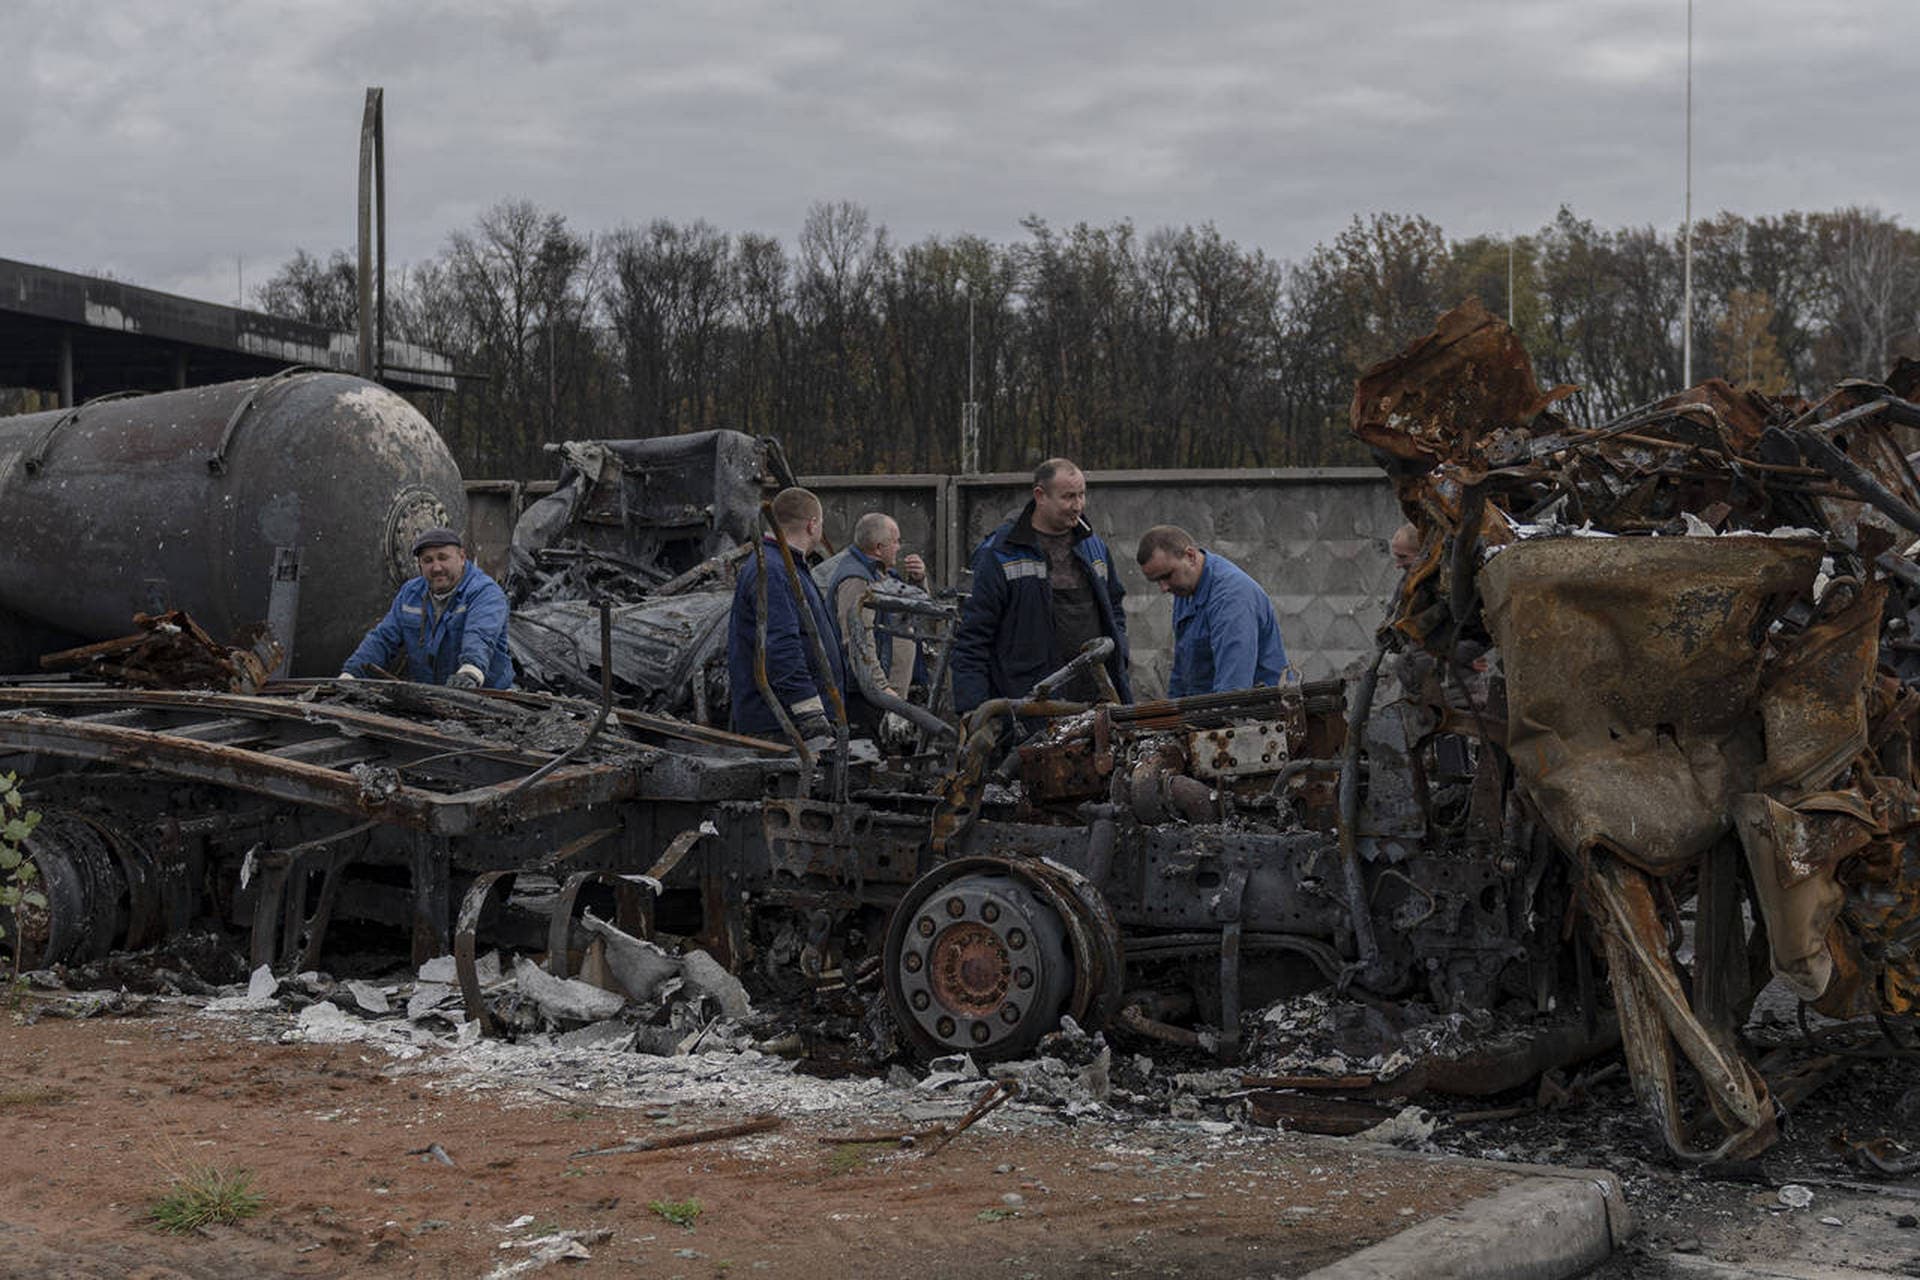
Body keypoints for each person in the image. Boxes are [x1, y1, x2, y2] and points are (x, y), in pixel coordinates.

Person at [951, 458, 1130, 714]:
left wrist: (1119, 652)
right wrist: (974, 712)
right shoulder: (1000, 553)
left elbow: (1114, 608)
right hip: (1031, 706)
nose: (1078, 506)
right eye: (1068, 497)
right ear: (1040, 495)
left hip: (1097, 701)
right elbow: (972, 639)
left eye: (1082, 495)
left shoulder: (1093, 546)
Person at [726, 486, 847, 739]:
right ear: (813, 525)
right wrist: (809, 710)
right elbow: (780, 644)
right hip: (782, 725)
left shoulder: (785, 566)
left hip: (785, 720)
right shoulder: (773, 570)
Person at [340, 527, 513, 688]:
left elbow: (480, 635)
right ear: (420, 565)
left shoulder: (485, 592)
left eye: (443, 558)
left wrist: (470, 672)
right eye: (428, 560)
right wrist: (351, 674)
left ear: (461, 558)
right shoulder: (410, 593)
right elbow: (383, 639)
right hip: (431, 699)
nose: (436, 568)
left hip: (487, 698)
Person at [1135, 525, 1288, 697]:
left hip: (1258, 714)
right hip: (1208, 711)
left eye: (1167, 575)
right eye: (1157, 581)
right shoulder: (1185, 588)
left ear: (1190, 556)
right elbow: (1182, 671)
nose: (1163, 588)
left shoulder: (1232, 599)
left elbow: (1234, 690)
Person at [812, 512, 927, 730]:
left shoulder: (883, 574)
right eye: (895, 541)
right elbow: (857, 642)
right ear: (877, 548)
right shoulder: (856, 579)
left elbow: (912, 618)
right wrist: (883, 690)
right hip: (868, 701)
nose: (899, 547)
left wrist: (918, 581)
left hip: (888, 698)